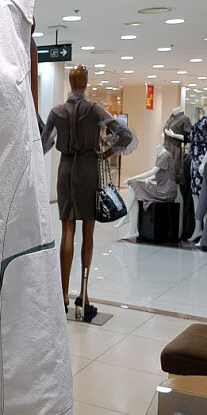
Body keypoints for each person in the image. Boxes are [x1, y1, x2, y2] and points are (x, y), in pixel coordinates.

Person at [42, 65, 136, 319]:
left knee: (67, 228)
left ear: (70, 81)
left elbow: (43, 142)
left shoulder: (57, 111)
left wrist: (56, 142)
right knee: (88, 229)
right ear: (85, 82)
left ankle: (63, 296)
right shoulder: (94, 110)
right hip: (87, 168)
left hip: (65, 170)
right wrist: (106, 152)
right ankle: (83, 295)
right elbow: (125, 136)